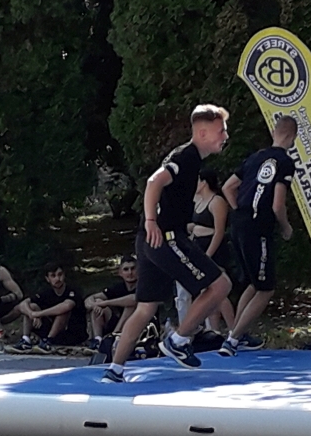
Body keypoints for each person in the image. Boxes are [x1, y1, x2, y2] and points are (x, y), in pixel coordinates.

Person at [101, 104, 233, 383]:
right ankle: (179, 340)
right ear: (202, 133)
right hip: (164, 237)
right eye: (221, 131)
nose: (225, 136)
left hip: (150, 239)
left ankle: (115, 369)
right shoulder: (186, 157)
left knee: (146, 307)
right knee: (221, 285)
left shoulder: (192, 160)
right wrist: (152, 221)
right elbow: (153, 182)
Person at [219, 115, 297, 357]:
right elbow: (277, 204)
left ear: (274, 133)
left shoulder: (255, 157)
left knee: (254, 283)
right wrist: (285, 227)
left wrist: (239, 210)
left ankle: (237, 333)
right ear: (292, 137)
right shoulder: (285, 162)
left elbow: (227, 187)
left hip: (240, 223)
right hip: (259, 227)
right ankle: (232, 340)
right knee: (266, 289)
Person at [181, 167, 235, 333]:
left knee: (220, 290)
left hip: (213, 248)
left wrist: (209, 255)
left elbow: (219, 231)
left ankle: (234, 330)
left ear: (204, 182)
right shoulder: (198, 201)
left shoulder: (216, 201)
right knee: (207, 291)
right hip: (198, 245)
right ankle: (213, 330)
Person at [9, 262, 88, 354]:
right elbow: (23, 304)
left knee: (62, 311)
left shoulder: (73, 290)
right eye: (53, 276)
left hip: (73, 334)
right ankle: (25, 340)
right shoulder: (46, 292)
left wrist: (39, 314)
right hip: (52, 331)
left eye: (60, 275)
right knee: (32, 306)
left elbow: (67, 306)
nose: (57, 279)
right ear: (47, 279)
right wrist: (31, 314)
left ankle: (48, 341)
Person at [84, 254, 138, 350]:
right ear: (120, 272)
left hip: (139, 324)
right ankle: (98, 340)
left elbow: (134, 299)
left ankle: (113, 337)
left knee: (129, 306)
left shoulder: (143, 286)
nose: (130, 273)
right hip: (118, 321)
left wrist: (105, 303)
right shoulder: (118, 287)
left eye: (133, 269)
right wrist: (94, 305)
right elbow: (89, 299)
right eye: (126, 269)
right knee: (98, 302)